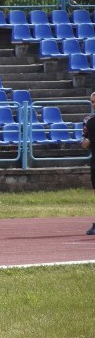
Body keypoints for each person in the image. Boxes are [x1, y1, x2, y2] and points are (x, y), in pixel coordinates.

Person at [80, 92, 95, 235]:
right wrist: (85, 143)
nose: (93, 104)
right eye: (92, 102)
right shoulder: (88, 120)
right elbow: (83, 141)